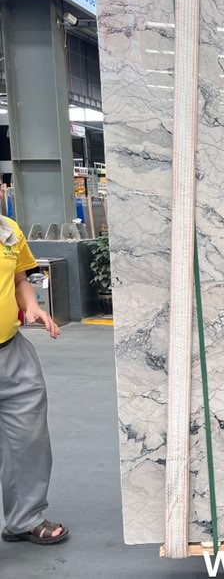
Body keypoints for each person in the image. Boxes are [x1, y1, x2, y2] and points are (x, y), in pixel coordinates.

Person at [0, 216, 68, 545]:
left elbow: (19, 280)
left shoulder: (7, 230)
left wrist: (31, 306)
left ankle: (25, 519)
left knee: (28, 441)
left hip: (11, 352)